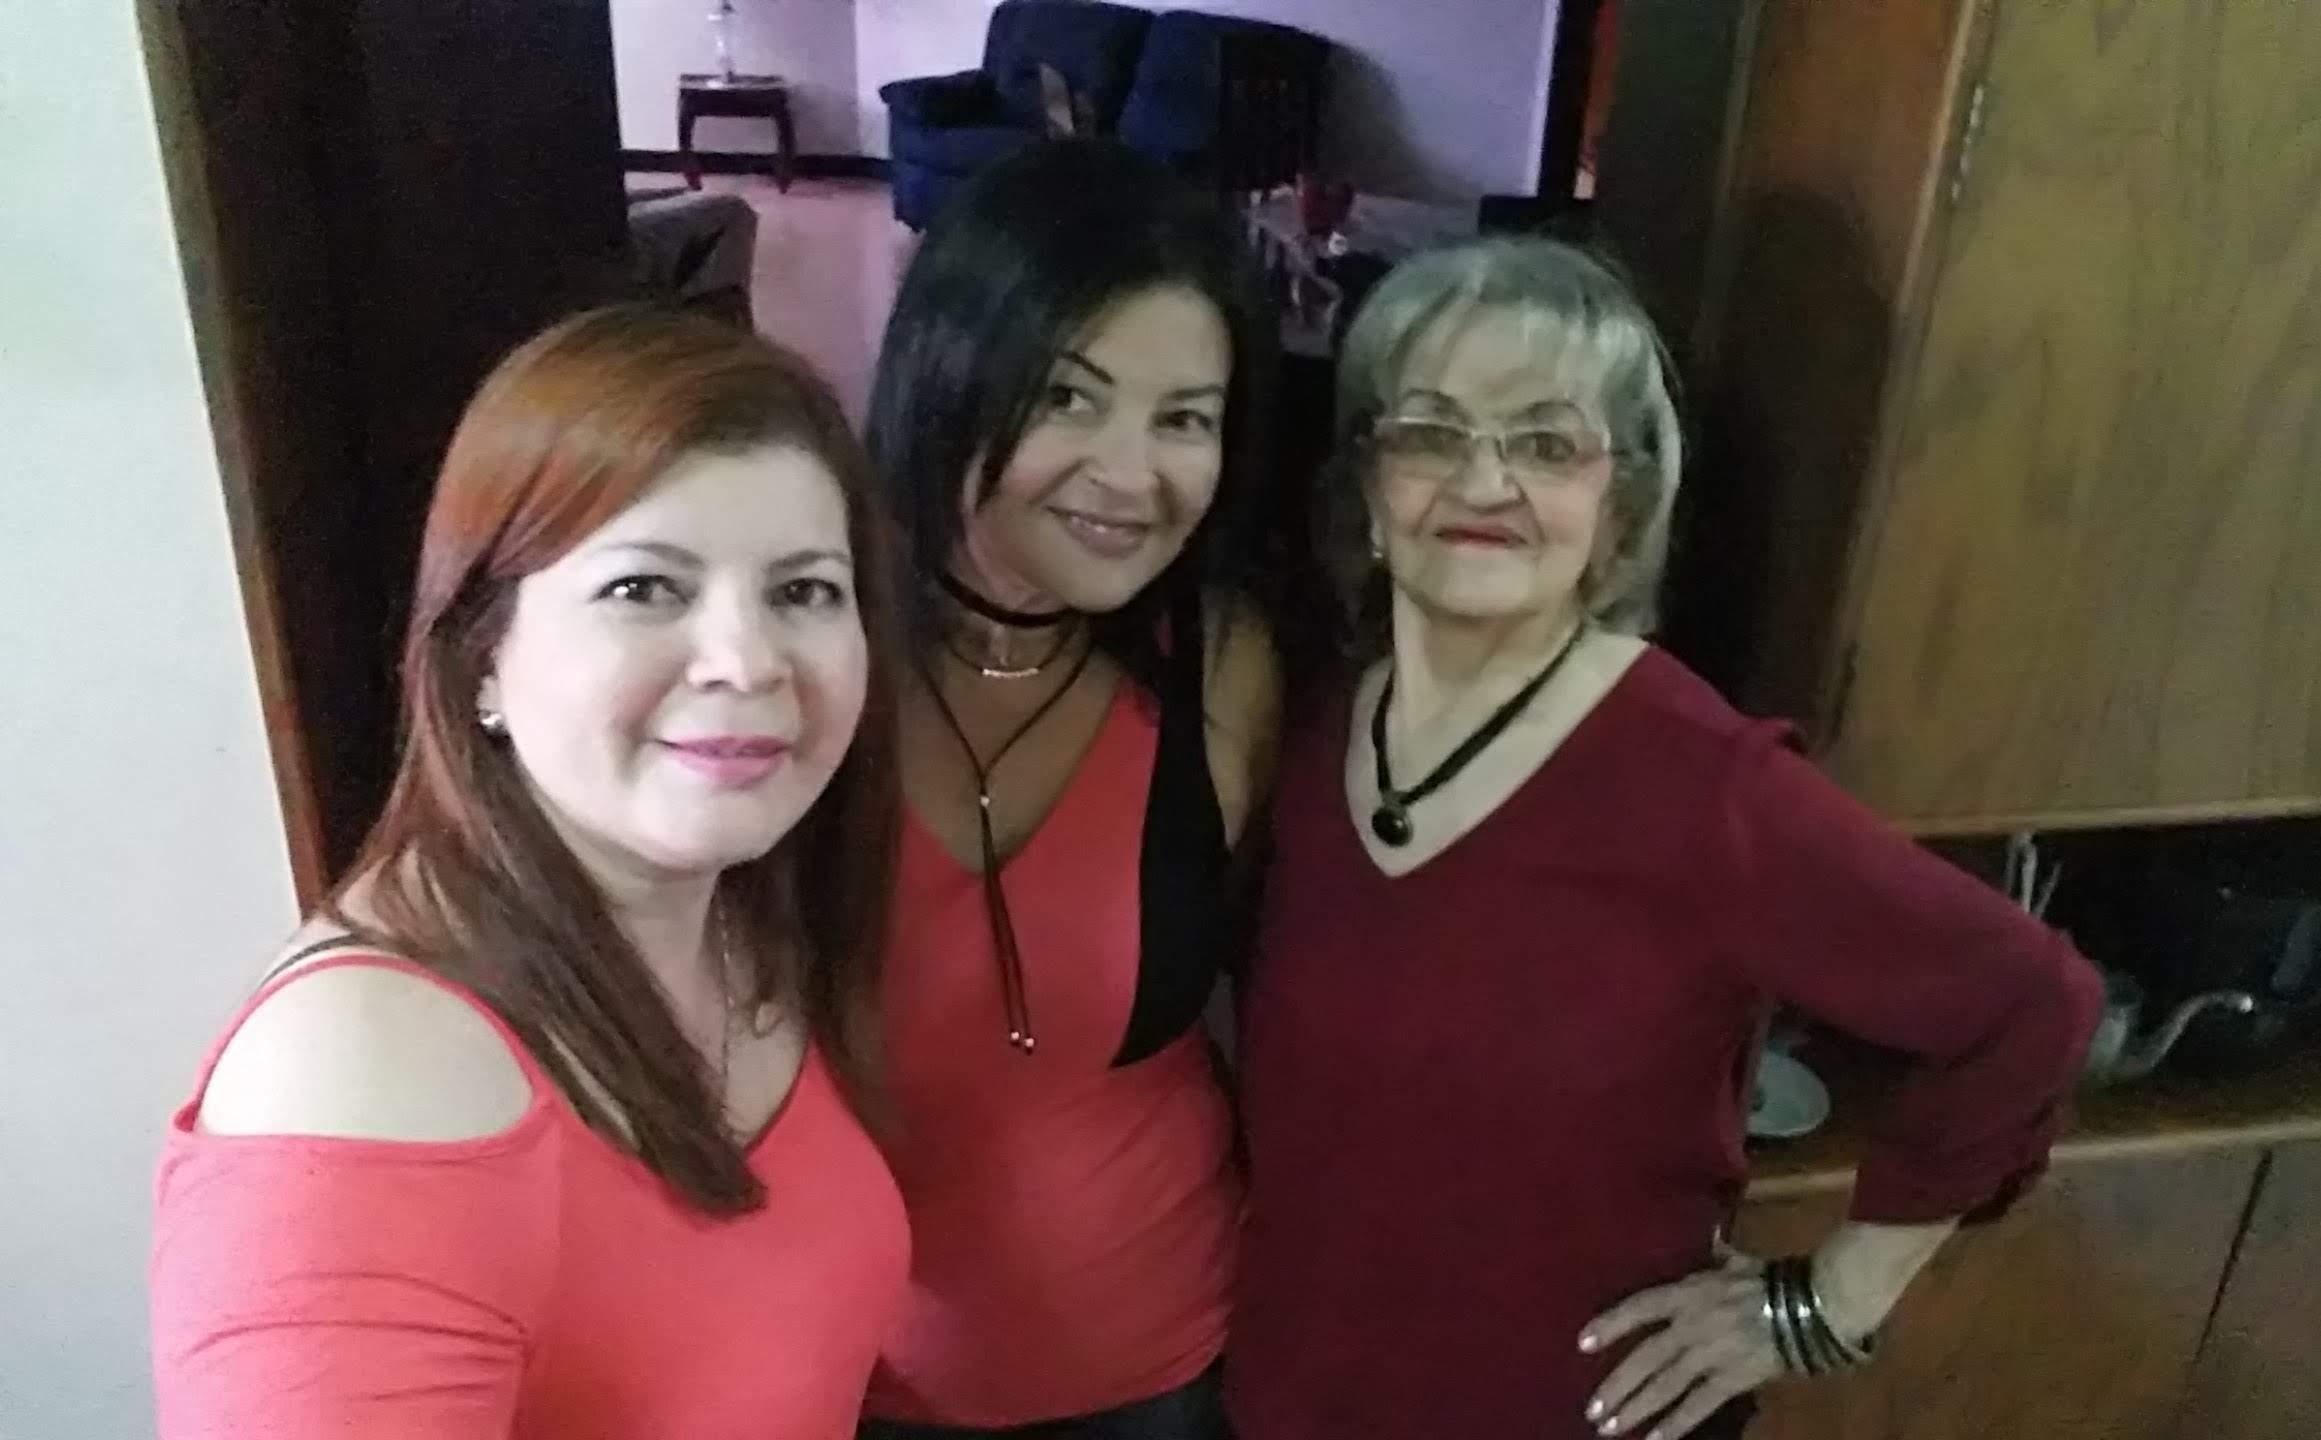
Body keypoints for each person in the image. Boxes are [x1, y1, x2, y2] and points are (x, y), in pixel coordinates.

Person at [1225, 237, 2104, 1440]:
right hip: (1297, 1397)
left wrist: (1825, 1304)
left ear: (1618, 504)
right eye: (1430, 431)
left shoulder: (1705, 785)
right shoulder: (1318, 724)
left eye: (1545, 443)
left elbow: (2029, 1004)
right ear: (1368, 487)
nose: (1483, 483)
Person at [150, 307, 911, 1438]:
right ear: (482, 659)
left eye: (802, 591)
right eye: (644, 587)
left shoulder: (740, 916)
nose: (749, 661)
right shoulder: (362, 1074)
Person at [855, 139, 1281, 1440]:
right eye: (1069, 397)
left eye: (1184, 419)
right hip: (848, 1371)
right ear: (952, 374)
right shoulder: (808, 648)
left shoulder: (1222, 661)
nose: (1130, 473)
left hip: (1161, 1366)